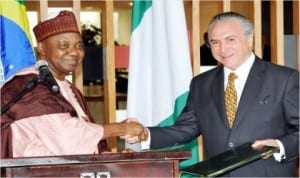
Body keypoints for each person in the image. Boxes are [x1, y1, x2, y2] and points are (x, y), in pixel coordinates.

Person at [124, 12, 299, 177]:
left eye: (230, 39)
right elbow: (186, 129)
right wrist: (145, 133)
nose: (223, 48)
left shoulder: (285, 79)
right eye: (215, 42)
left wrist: (279, 146)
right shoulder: (201, 84)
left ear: (250, 39)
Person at [0, 10, 144, 158]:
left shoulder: (70, 89)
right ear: (42, 48)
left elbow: (90, 143)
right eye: (64, 46)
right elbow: (70, 139)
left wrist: (117, 159)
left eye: (79, 46)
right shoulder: (27, 85)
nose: (74, 52)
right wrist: (122, 129)